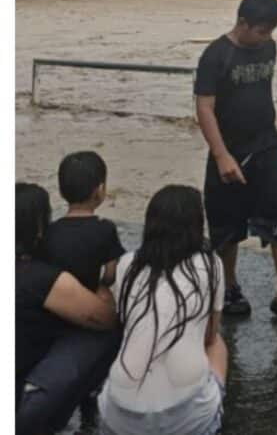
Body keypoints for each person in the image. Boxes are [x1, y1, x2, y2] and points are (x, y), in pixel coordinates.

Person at [194, 0, 277, 326]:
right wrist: (221, 155)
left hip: (267, 144)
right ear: (243, 22)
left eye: (271, 31)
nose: (266, 37)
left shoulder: (270, 48)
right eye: (261, 30)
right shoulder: (215, 56)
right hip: (228, 150)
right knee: (225, 225)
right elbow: (204, 108)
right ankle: (228, 287)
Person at [98, 186, 227, 435]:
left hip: (119, 418)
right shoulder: (211, 265)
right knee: (218, 344)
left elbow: (126, 324)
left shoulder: (128, 264)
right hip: (188, 419)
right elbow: (209, 336)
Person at [16, 183, 120, 435]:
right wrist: (102, 288)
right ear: (40, 228)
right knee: (108, 334)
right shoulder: (41, 278)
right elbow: (106, 318)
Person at [45, 151, 126, 292]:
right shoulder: (105, 228)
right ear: (100, 190)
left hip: (55, 299)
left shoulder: (50, 230)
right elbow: (110, 275)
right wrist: (102, 286)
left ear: (61, 192)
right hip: (89, 296)